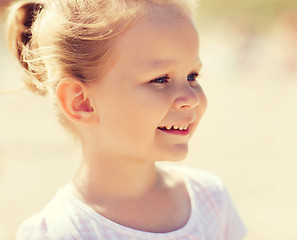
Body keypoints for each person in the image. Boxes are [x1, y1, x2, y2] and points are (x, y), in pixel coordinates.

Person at [6, 0, 247, 239]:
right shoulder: (62, 232)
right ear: (82, 102)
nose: (191, 98)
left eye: (192, 76)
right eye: (161, 79)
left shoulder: (211, 200)